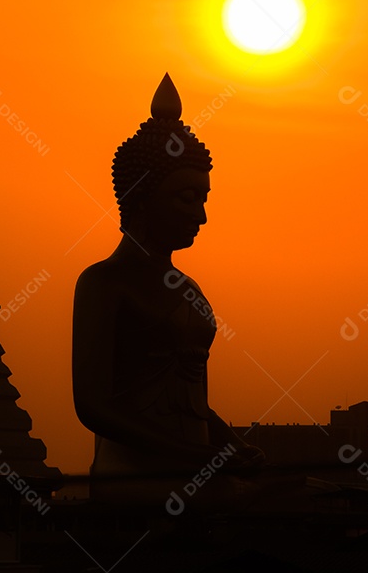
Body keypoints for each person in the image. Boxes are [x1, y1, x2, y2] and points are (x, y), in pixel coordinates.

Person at [72, 73, 264, 505]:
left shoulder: (189, 291)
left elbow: (194, 403)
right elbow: (94, 406)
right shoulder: (104, 282)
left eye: (204, 199)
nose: (201, 215)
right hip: (134, 479)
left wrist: (233, 447)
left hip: (197, 469)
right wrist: (196, 457)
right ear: (141, 198)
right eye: (187, 198)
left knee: (300, 495)